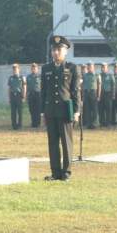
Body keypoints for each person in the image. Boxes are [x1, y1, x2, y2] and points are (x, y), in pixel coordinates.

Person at [41, 35, 80, 182]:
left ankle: (66, 172)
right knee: (52, 142)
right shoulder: (46, 69)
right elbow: (43, 92)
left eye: (59, 50)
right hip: (50, 111)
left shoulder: (72, 68)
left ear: (65, 51)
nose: (55, 52)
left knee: (66, 142)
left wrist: (77, 111)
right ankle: (55, 172)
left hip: (65, 111)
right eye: (53, 50)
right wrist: (42, 112)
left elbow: (75, 92)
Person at [80, 62, 99, 129]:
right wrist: (82, 95)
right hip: (86, 93)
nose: (89, 68)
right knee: (87, 109)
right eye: (88, 67)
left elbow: (99, 86)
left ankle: (94, 124)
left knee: (94, 109)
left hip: (93, 92)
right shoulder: (84, 75)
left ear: (93, 68)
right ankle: (88, 124)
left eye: (90, 66)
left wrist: (98, 95)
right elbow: (82, 86)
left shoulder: (96, 75)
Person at [8, 64, 26, 130]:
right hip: (13, 95)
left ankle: (20, 125)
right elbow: (9, 88)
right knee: (13, 112)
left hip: (19, 95)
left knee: (20, 111)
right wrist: (9, 97)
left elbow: (24, 87)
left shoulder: (22, 77)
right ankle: (14, 125)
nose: (15, 70)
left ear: (19, 69)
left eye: (16, 69)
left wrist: (24, 96)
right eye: (14, 69)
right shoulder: (11, 78)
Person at [98, 63, 114, 128]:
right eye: (102, 67)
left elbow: (113, 85)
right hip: (101, 94)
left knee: (108, 109)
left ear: (107, 68)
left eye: (105, 67)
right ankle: (102, 123)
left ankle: (108, 123)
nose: (103, 68)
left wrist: (112, 94)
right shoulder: (99, 76)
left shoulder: (110, 76)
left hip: (108, 94)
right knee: (101, 109)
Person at [26, 63, 42, 128]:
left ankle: (38, 123)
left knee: (38, 109)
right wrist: (26, 95)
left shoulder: (40, 76)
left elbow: (43, 86)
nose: (33, 69)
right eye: (32, 68)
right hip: (31, 94)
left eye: (35, 68)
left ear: (37, 69)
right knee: (32, 109)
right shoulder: (28, 77)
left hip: (38, 94)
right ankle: (33, 123)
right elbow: (26, 86)